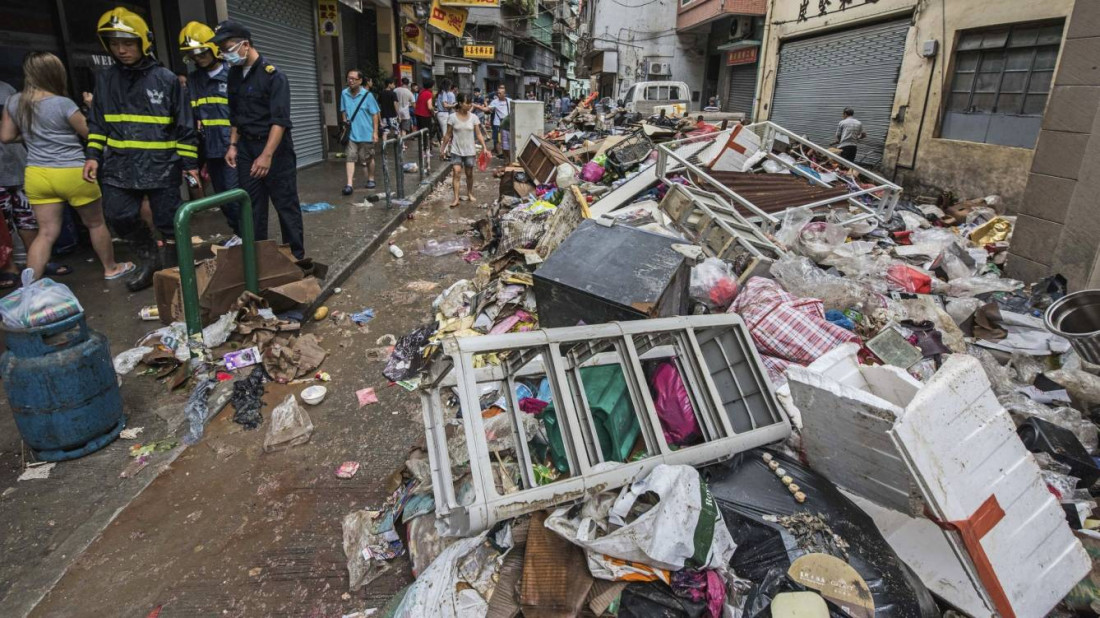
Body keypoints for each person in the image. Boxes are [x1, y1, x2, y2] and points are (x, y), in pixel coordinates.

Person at [84, 7, 199, 291]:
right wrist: (93, 156)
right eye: (114, 44)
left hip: (161, 164)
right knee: (117, 215)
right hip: (119, 167)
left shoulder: (167, 80)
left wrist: (190, 165)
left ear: (143, 43)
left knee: (169, 222)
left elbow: (184, 126)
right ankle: (150, 260)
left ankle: (175, 274)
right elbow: (97, 123)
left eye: (127, 43)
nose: (121, 50)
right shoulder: (106, 79)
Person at [2, 53, 133, 282]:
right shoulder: (63, 103)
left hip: (37, 174)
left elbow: (5, 136)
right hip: (73, 171)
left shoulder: (15, 101)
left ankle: (29, 285)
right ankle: (111, 268)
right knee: (95, 223)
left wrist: (33, 137)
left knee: (45, 233)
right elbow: (90, 134)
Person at [212, 20, 305, 259]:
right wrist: (232, 145)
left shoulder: (273, 76)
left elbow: (280, 121)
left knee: (286, 206)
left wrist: (266, 155)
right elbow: (235, 115)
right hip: (246, 147)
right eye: (221, 48)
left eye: (228, 47)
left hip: (275, 149)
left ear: (246, 44)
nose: (225, 53)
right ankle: (258, 262)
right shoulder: (233, 75)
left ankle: (296, 258)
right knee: (252, 208)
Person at [179, 21, 240, 236]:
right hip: (210, 150)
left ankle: (247, 236)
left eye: (201, 53)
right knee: (221, 197)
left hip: (233, 148)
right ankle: (238, 234)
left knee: (234, 196)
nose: (198, 59)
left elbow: (240, 114)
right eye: (194, 56)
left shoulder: (233, 74)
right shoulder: (194, 81)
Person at [440, 93, 488, 209]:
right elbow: (448, 135)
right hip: (456, 150)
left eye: (470, 103)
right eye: (467, 103)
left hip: (470, 151)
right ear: (460, 103)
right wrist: (442, 149)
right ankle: (456, 198)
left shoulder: (474, 117)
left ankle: (469, 193)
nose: (469, 105)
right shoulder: (452, 117)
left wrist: (484, 147)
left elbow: (478, 134)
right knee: (456, 173)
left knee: (469, 174)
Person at [338, 69, 380, 196]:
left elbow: (374, 115)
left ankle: (371, 178)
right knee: (350, 157)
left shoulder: (368, 96)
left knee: (368, 158)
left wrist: (375, 132)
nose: (350, 81)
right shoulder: (344, 93)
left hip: (366, 133)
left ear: (360, 81)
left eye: (353, 79)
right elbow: (343, 111)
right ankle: (349, 184)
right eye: (348, 78)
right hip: (351, 134)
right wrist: (345, 125)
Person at [487, 84, 511, 158]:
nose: (498, 94)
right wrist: (478, 106)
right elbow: (487, 109)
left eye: (500, 93)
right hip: (497, 123)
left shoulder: (509, 100)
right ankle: (500, 153)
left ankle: (505, 155)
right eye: (498, 93)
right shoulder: (495, 101)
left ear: (504, 93)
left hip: (507, 124)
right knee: (497, 139)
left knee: (506, 140)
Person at [413, 79, 435, 152]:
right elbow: (429, 106)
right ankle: (426, 150)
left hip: (418, 114)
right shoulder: (429, 93)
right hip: (425, 115)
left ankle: (422, 149)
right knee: (426, 133)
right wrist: (433, 112)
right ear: (430, 86)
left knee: (421, 132)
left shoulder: (421, 92)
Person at [378, 77, 400, 142]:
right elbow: (395, 104)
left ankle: (384, 147)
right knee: (397, 130)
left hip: (384, 116)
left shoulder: (381, 93)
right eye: (393, 84)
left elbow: (379, 103)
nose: (394, 85)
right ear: (389, 84)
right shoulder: (393, 93)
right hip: (393, 116)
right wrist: (398, 114)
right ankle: (401, 146)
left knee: (385, 132)